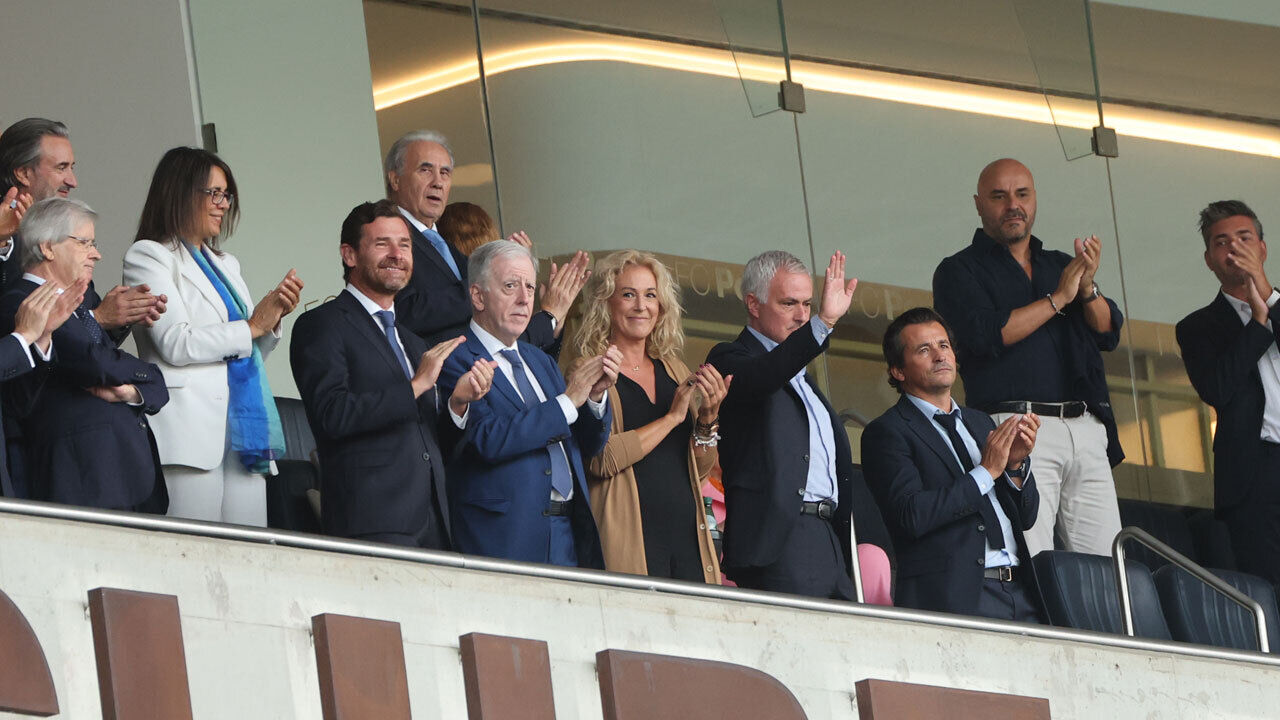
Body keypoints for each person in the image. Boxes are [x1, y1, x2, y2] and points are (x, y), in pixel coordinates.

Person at [933, 158, 1124, 557]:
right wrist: (1059, 298)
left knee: (1106, 567)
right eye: (999, 196)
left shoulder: (1060, 264)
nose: (1013, 205)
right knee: (1032, 558)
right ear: (978, 204)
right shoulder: (958, 270)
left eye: (1022, 194)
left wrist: (1087, 289)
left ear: (1035, 199)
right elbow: (985, 335)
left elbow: (1108, 331)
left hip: (1084, 425)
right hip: (1016, 425)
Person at [291, 200, 495, 548]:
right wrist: (415, 386)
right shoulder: (321, 324)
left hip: (436, 522)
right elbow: (332, 415)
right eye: (382, 244)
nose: (397, 255)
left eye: (404, 245)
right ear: (350, 255)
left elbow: (429, 436)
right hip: (371, 522)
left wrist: (458, 404)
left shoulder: (413, 342)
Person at [122, 147, 304, 525]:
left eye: (226, 195)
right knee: (192, 550)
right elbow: (175, 342)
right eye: (214, 194)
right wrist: (252, 326)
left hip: (243, 429)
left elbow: (244, 351)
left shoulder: (227, 264)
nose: (223, 205)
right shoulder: (149, 256)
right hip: (188, 430)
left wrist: (271, 322)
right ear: (181, 193)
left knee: (247, 547)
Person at [707, 250, 892, 601]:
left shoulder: (805, 381)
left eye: (807, 304)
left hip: (828, 536)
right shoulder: (730, 358)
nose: (802, 315)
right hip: (780, 538)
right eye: (789, 303)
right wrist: (824, 322)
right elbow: (765, 375)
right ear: (753, 304)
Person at [0, 118, 166, 496]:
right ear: (23, 173)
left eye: (72, 167)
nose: (72, 180)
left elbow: (89, 340)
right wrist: (95, 318)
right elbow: (77, 352)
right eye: (61, 167)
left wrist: (110, 319)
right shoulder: (17, 254)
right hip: (46, 452)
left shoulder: (69, 251)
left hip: (112, 455)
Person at [438, 239, 619, 567]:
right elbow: (486, 439)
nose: (524, 299)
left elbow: (588, 444)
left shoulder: (540, 360)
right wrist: (569, 400)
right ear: (478, 296)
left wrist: (594, 397)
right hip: (504, 537)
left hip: (566, 533)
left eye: (530, 287)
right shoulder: (455, 358)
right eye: (510, 286)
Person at [862, 307, 1043, 622]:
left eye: (944, 345)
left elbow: (1026, 517)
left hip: (1020, 589)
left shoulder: (980, 422)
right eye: (924, 349)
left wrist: (1014, 467)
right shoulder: (887, 432)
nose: (939, 355)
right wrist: (985, 472)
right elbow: (911, 515)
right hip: (953, 597)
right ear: (898, 371)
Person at [573, 250, 729, 583]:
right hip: (630, 540)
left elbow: (698, 470)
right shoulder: (589, 370)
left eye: (650, 295)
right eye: (628, 294)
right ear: (606, 303)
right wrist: (671, 419)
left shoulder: (674, 369)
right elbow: (601, 459)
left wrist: (707, 419)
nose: (641, 306)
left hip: (687, 538)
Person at [383, 130, 587, 353]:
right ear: (395, 179)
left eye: (445, 173)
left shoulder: (446, 247)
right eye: (425, 170)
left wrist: (551, 317)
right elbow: (404, 312)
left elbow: (494, 332)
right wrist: (497, 272)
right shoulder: (387, 237)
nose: (438, 182)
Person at [1177, 200, 1280, 586]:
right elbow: (1217, 389)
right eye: (1222, 242)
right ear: (1209, 260)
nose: (1234, 247)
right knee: (1269, 588)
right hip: (1256, 474)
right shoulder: (1197, 327)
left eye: (1244, 238)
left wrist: (1267, 296)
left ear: (1262, 249)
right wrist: (1258, 324)